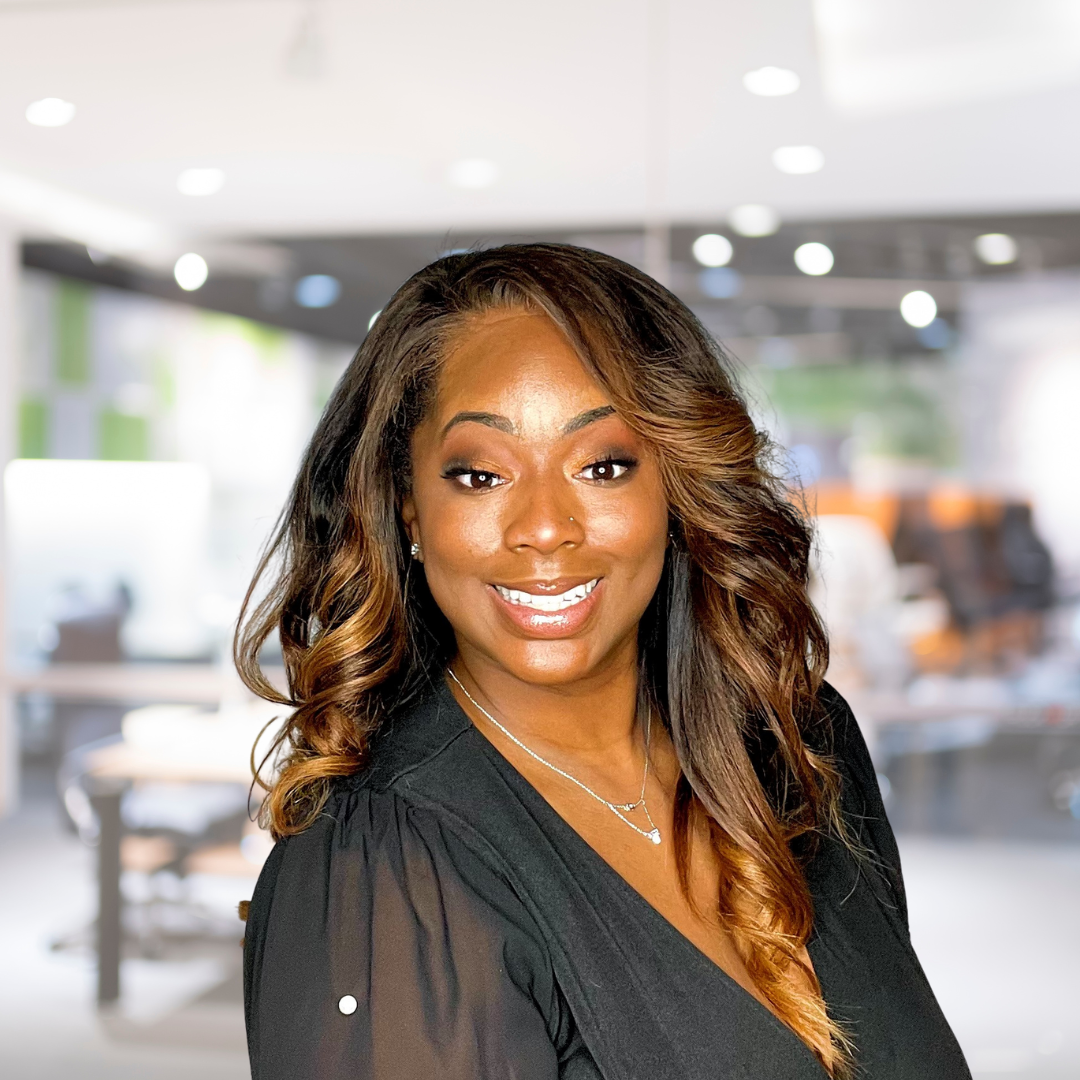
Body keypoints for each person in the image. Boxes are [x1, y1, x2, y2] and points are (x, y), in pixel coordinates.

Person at [237, 244, 971, 1079]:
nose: (545, 526)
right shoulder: (385, 874)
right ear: (409, 506)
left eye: (604, 466)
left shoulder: (801, 744)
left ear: (676, 486)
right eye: (479, 475)